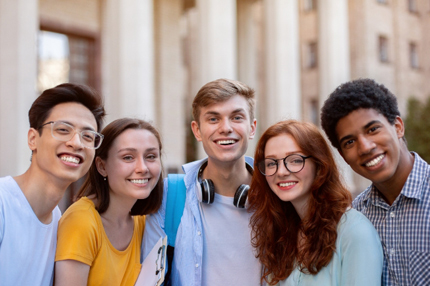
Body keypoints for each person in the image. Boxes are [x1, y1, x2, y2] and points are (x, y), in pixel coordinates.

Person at [142, 78, 260, 286]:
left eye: (237, 117)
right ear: (197, 130)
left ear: (252, 128)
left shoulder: (277, 195)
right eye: (213, 119)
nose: (226, 128)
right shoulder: (169, 195)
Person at [320, 78, 430, 285]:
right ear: (343, 156)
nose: (365, 147)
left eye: (373, 129)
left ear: (398, 127)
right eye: (349, 142)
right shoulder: (355, 217)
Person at [248, 120, 383, 286]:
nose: (281, 172)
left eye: (295, 160)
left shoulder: (354, 232)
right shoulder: (279, 233)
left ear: (319, 165)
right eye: (271, 163)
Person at [0, 83, 105, 285]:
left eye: (88, 136)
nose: (76, 143)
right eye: (63, 130)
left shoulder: (60, 222)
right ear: (33, 139)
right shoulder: (3, 204)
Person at [54, 118, 163, 286]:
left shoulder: (145, 221)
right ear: (102, 166)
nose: (143, 168)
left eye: (150, 156)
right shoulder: (82, 222)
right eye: (128, 157)